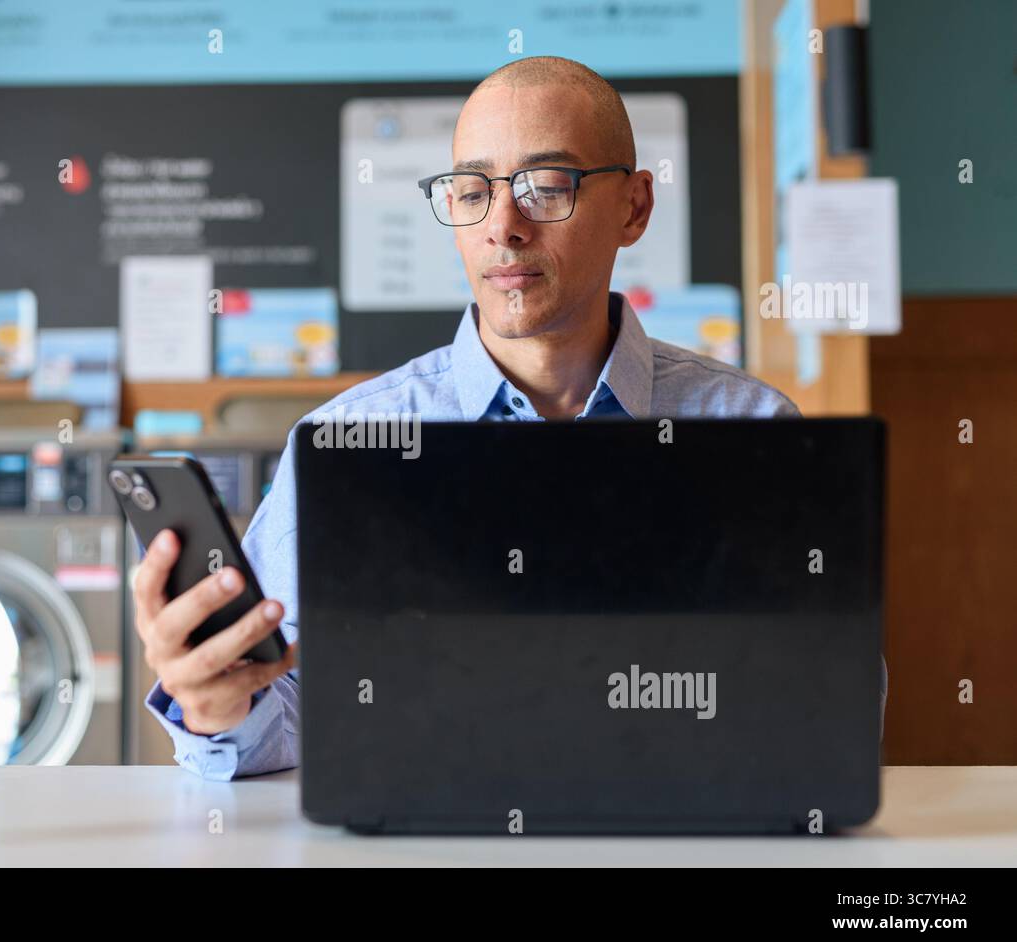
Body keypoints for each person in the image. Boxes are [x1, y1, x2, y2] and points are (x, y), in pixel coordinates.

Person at [132, 56, 835, 781]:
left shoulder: (750, 431)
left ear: (634, 207)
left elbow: (828, 700)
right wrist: (219, 704)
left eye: (546, 186)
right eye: (472, 191)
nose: (504, 226)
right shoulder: (350, 444)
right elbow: (289, 702)